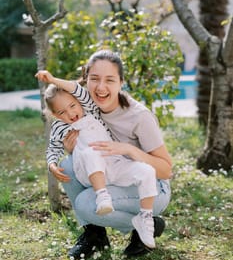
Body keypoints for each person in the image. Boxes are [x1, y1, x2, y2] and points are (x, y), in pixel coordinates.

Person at [57, 49, 172, 259]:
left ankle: (147, 224)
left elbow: (166, 170)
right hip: (113, 174)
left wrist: (130, 150)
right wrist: (74, 148)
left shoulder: (139, 116)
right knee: (67, 166)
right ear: (85, 80)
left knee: (85, 203)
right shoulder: (83, 108)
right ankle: (94, 235)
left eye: (109, 80)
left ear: (121, 82)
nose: (101, 87)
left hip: (151, 186)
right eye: (94, 79)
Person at [35, 70, 160, 248]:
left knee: (146, 171)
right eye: (62, 112)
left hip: (114, 164)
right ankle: (102, 196)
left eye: (72, 106)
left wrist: (53, 80)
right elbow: (52, 149)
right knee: (91, 152)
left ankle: (146, 219)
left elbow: (77, 89)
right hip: (87, 169)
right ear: (55, 115)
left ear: (79, 101)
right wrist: (52, 165)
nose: (70, 114)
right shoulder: (59, 127)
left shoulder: (90, 109)